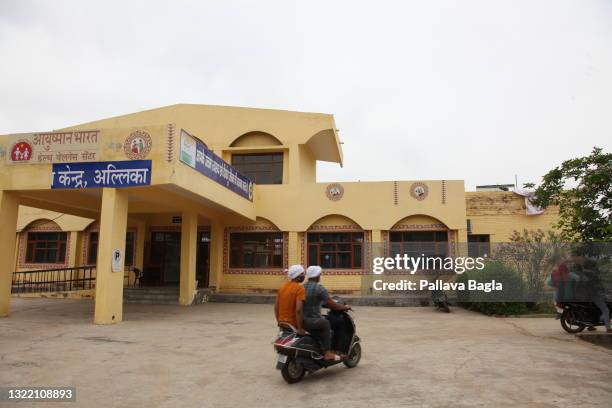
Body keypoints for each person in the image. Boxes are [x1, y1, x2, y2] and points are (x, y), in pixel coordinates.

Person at [303, 265, 351, 361]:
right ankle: (330, 351)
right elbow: (332, 304)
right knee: (335, 322)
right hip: (314, 319)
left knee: (328, 319)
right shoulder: (319, 289)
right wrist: (344, 307)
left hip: (302, 319)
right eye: (320, 275)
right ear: (317, 276)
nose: (320, 276)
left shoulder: (302, 287)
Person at [274, 264, 306, 335]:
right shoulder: (300, 289)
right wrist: (300, 328)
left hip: (282, 323)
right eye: (302, 274)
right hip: (293, 324)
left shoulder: (282, 287)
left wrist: (279, 321)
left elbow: (276, 308)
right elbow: (298, 310)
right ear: (297, 276)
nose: (304, 276)